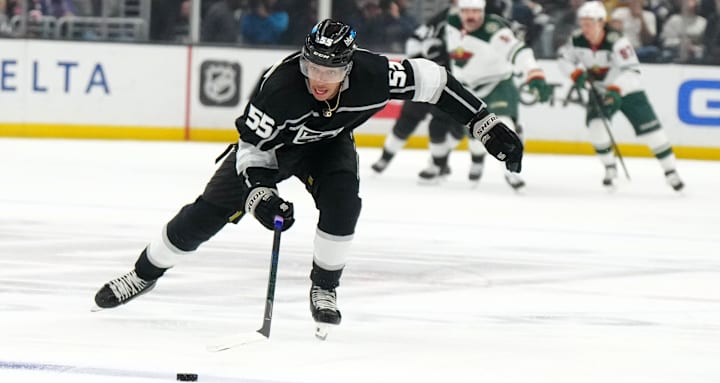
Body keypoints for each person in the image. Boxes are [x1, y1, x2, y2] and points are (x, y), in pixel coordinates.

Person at [92, 19, 523, 337]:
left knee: (343, 206)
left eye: (331, 74)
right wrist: (261, 193)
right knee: (204, 217)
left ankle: (324, 288)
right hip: (273, 150)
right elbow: (253, 148)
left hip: (330, 144)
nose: (320, 81)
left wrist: (485, 124)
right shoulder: (278, 87)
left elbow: (436, 82)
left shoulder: (374, 75)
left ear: (349, 69)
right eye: (313, 70)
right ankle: (144, 273)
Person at [558, 1, 684, 190]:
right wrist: (576, 74)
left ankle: (671, 171)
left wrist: (616, 89)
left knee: (652, 132)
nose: (584, 28)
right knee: (596, 127)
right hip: (599, 90)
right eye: (582, 23)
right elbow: (563, 59)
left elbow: (633, 71)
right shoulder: (577, 39)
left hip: (628, 91)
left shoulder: (618, 42)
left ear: (601, 22)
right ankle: (610, 167)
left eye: (589, 23)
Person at [430, 0, 551, 190]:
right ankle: (477, 160)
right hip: (467, 87)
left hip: (497, 84)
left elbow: (518, 51)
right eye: (466, 11)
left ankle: (510, 170)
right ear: (459, 10)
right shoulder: (452, 21)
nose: (470, 16)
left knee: (503, 124)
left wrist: (534, 72)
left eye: (475, 11)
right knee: (476, 133)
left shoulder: (495, 29)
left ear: (483, 11)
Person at [370, 4, 467, 182]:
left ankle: (438, 164)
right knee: (408, 119)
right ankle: (385, 159)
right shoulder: (441, 19)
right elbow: (414, 41)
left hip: (455, 84)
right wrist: (423, 58)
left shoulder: (483, 21)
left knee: (452, 127)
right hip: (427, 77)